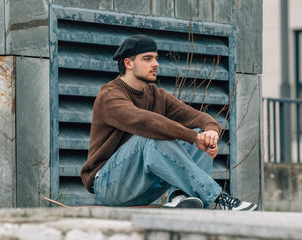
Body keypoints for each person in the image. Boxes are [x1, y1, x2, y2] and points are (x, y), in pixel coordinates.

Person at [80, 34, 257, 211]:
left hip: (143, 187)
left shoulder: (156, 95)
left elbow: (199, 117)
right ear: (128, 63)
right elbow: (145, 122)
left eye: (156, 58)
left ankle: (181, 196)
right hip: (109, 184)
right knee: (151, 137)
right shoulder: (110, 96)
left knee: (197, 135)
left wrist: (210, 132)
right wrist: (194, 137)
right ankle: (216, 197)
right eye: (147, 59)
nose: (156, 64)